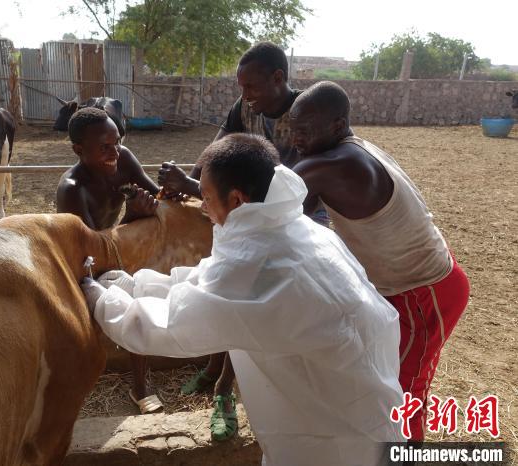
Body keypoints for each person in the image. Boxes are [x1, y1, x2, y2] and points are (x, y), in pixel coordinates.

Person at [81, 133, 404, 465]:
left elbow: (168, 327)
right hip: (359, 405)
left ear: (236, 200)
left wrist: (99, 299)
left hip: (335, 439)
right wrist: (130, 285)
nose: (202, 206)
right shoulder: (296, 231)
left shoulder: (261, 266)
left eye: (205, 197)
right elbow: (208, 281)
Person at [157, 41, 328, 440]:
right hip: (245, 215)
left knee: (247, 301)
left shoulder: (306, 114)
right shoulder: (246, 108)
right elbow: (216, 150)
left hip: (294, 221)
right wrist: (190, 179)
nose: (245, 96)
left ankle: (224, 391)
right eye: (241, 87)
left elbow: (303, 187)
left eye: (251, 87)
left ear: (278, 78)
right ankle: (216, 369)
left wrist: (199, 187)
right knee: (227, 289)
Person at [289, 81, 471, 441]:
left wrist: (196, 187)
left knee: (403, 396)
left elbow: (272, 204)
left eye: (304, 131)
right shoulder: (351, 149)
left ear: (338, 126)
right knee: (378, 380)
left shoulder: (334, 164)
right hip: (404, 286)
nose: (296, 140)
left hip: (423, 293)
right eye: (292, 131)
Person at [56, 107, 163, 414]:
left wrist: (161, 195)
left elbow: (156, 195)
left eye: (117, 141)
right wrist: (131, 216)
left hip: (114, 252)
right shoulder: (72, 191)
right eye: (104, 147)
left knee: (143, 283)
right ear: (79, 150)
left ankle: (140, 382)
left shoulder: (123, 158)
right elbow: (92, 251)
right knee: (128, 295)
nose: (114, 151)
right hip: (81, 265)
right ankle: (140, 386)